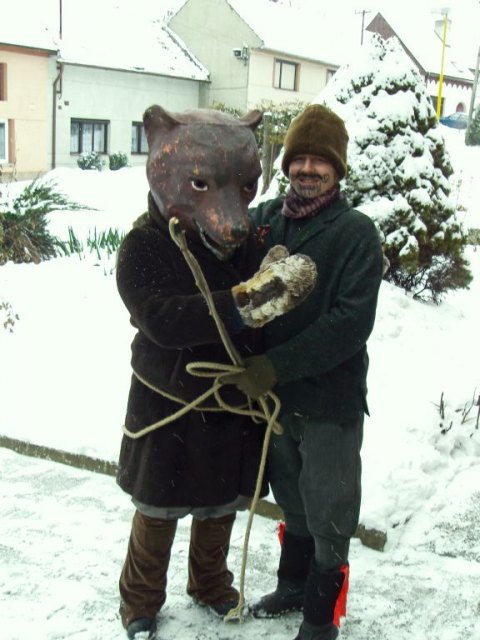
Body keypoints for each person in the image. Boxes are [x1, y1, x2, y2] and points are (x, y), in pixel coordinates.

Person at [115, 104, 316, 640]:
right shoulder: (144, 246)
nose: (233, 216)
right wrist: (240, 303)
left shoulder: (243, 243)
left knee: (220, 505)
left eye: (244, 192)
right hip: (169, 403)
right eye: (201, 186)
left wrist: (269, 281)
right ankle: (139, 601)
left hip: (230, 399)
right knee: (157, 511)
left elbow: (260, 311)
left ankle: (209, 581)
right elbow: (161, 319)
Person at [224, 104, 385, 640]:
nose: (308, 169)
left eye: (321, 161)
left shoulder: (356, 233)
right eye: (300, 159)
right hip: (277, 401)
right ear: (287, 164)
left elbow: (349, 324)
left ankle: (321, 620)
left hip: (329, 402)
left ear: (338, 171)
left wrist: (274, 365)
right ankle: (292, 585)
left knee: (330, 511)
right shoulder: (266, 219)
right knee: (291, 499)